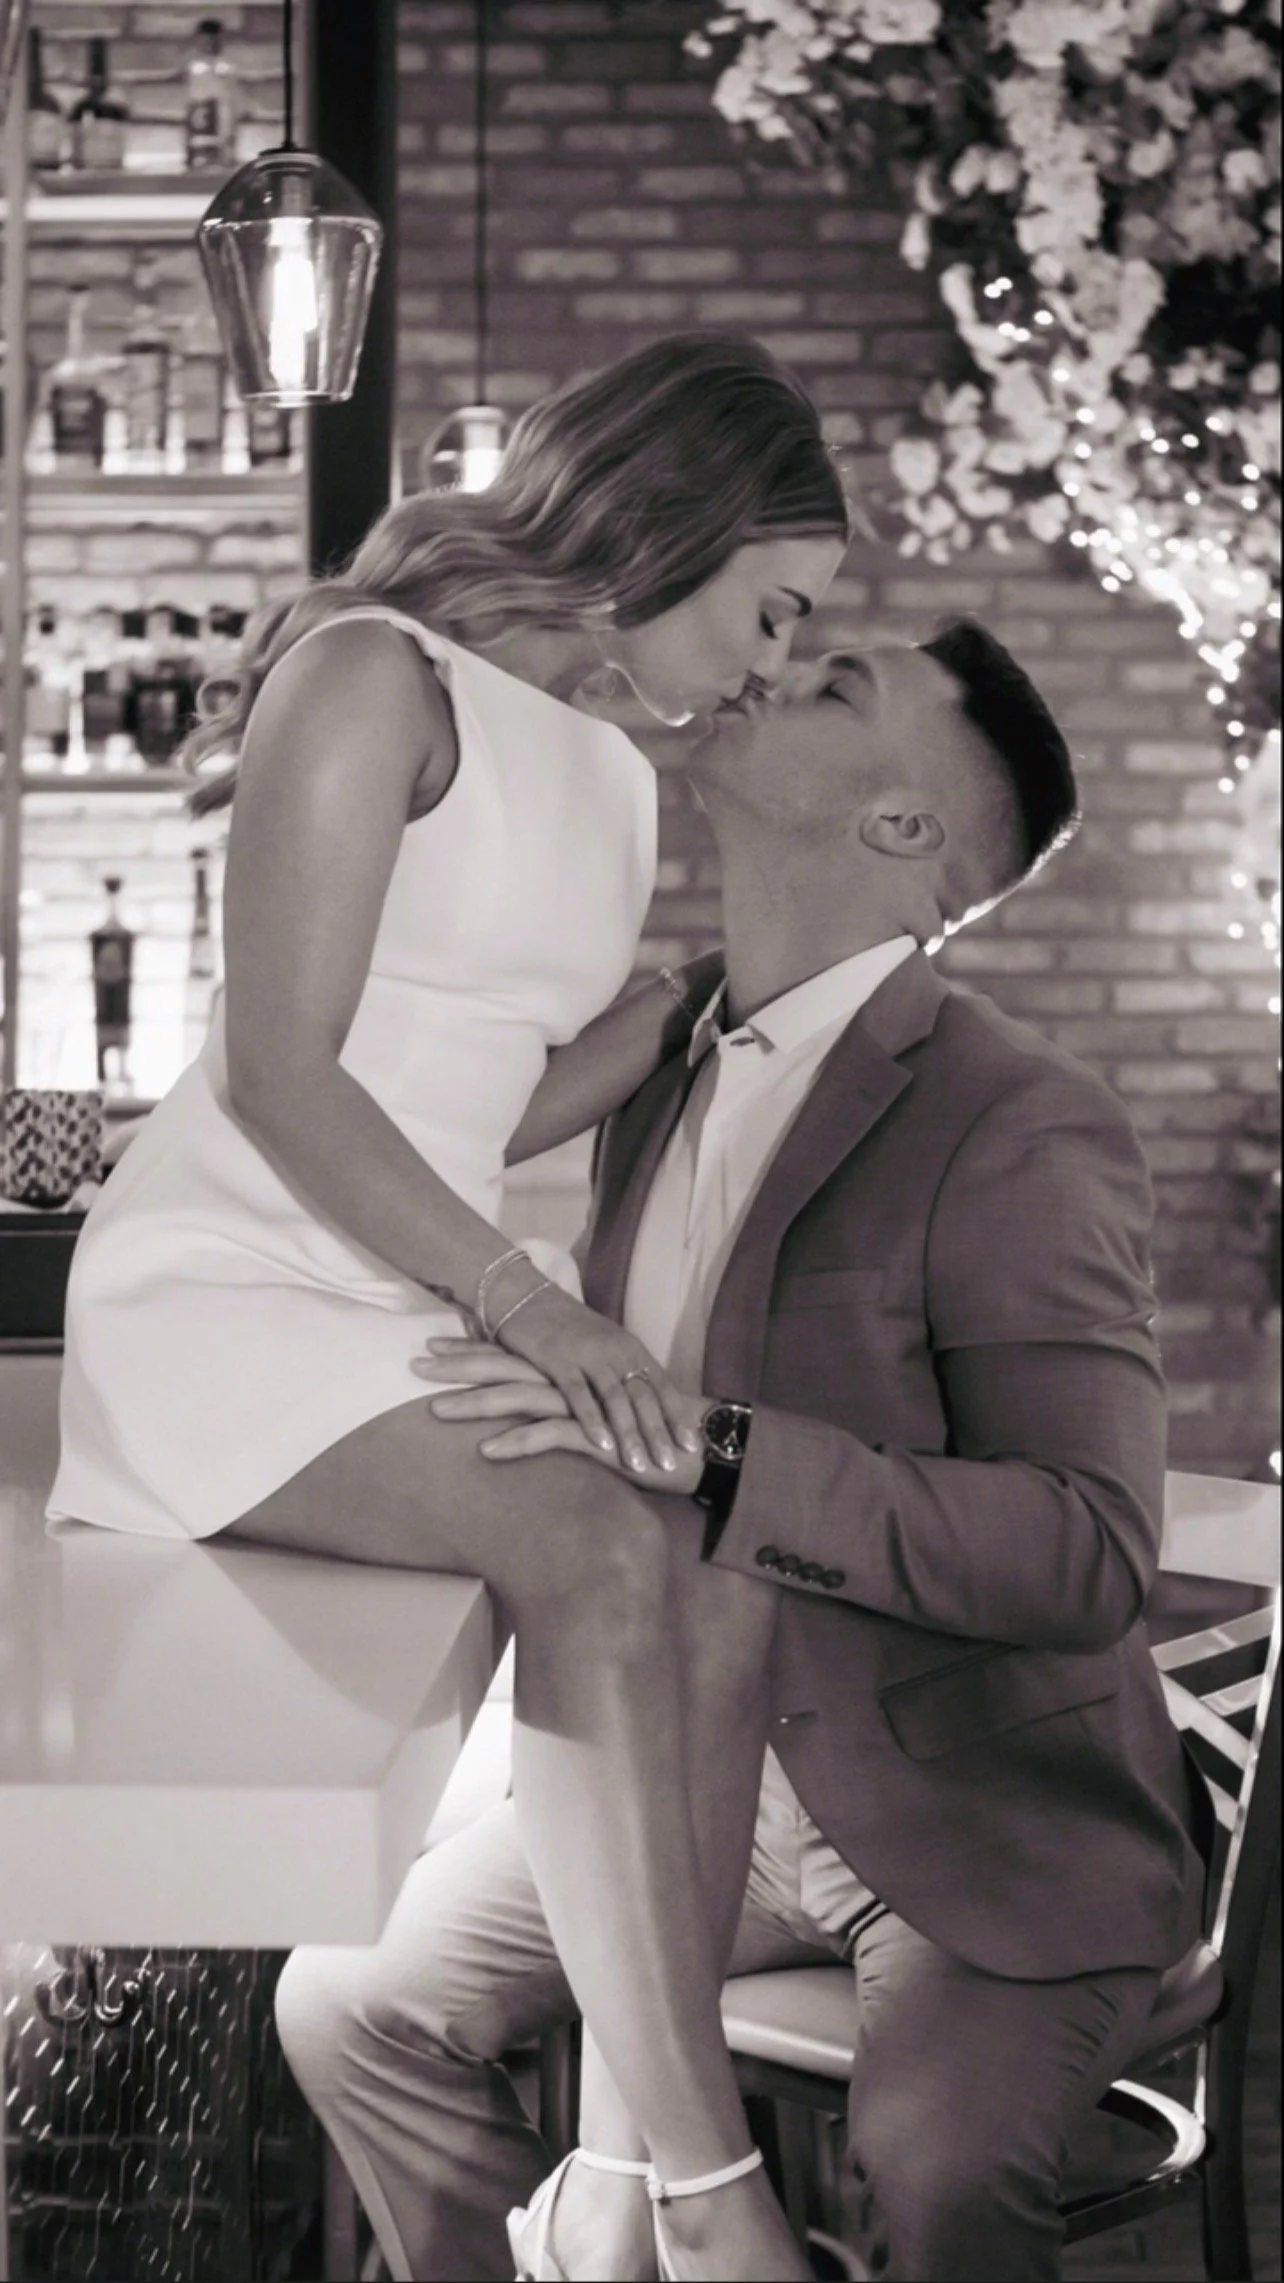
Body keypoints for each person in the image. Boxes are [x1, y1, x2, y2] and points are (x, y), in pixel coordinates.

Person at [46, 333, 852, 2283]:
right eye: (774, 609)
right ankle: (708, 2195)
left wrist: (644, 1039)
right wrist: (527, 1306)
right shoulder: (368, 675)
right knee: (596, 1535)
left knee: (679, 1539)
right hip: (228, 1286)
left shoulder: (614, 776)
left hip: (399, 1281)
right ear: (673, 521)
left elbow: (462, 1102)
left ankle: (613, 2178)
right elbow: (277, 1074)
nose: (775, 664)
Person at [274, 622, 1209, 2283]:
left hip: (962, 1819)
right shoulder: (649, 1061)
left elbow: (1085, 1550)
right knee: (349, 2005)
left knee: (936, 2167)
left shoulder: (1020, 1117)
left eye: (840, 683)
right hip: (670, 1773)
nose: (775, 668)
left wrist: (702, 1453)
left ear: (903, 826)